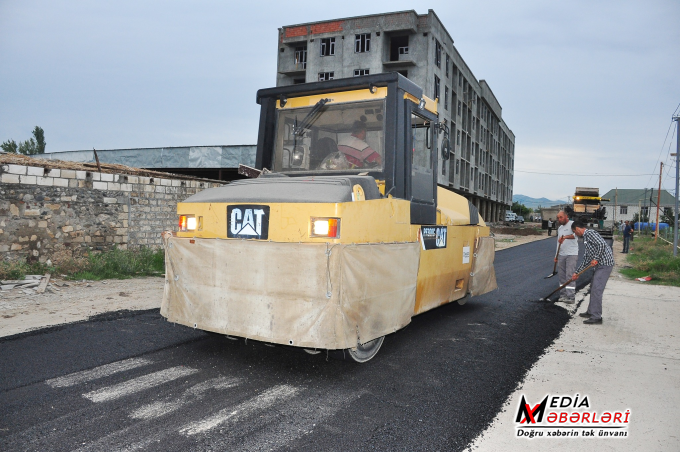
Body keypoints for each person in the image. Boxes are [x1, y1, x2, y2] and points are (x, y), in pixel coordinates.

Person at [571, 220, 615, 325]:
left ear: (577, 228)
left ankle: (596, 317)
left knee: (597, 289)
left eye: (574, 231)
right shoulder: (586, 238)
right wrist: (577, 272)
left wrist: (596, 258)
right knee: (593, 287)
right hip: (599, 265)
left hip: (605, 265)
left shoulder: (590, 233)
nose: (575, 234)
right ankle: (590, 311)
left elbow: (601, 244)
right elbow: (586, 259)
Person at [555, 211, 578, 303]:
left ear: (566, 216)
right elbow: (558, 243)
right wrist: (556, 255)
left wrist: (565, 237)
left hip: (571, 254)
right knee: (561, 276)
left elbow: (575, 235)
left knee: (570, 275)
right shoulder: (560, 228)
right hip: (561, 254)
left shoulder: (572, 224)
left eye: (561, 217)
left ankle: (571, 297)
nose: (559, 219)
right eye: (558, 218)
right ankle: (563, 295)